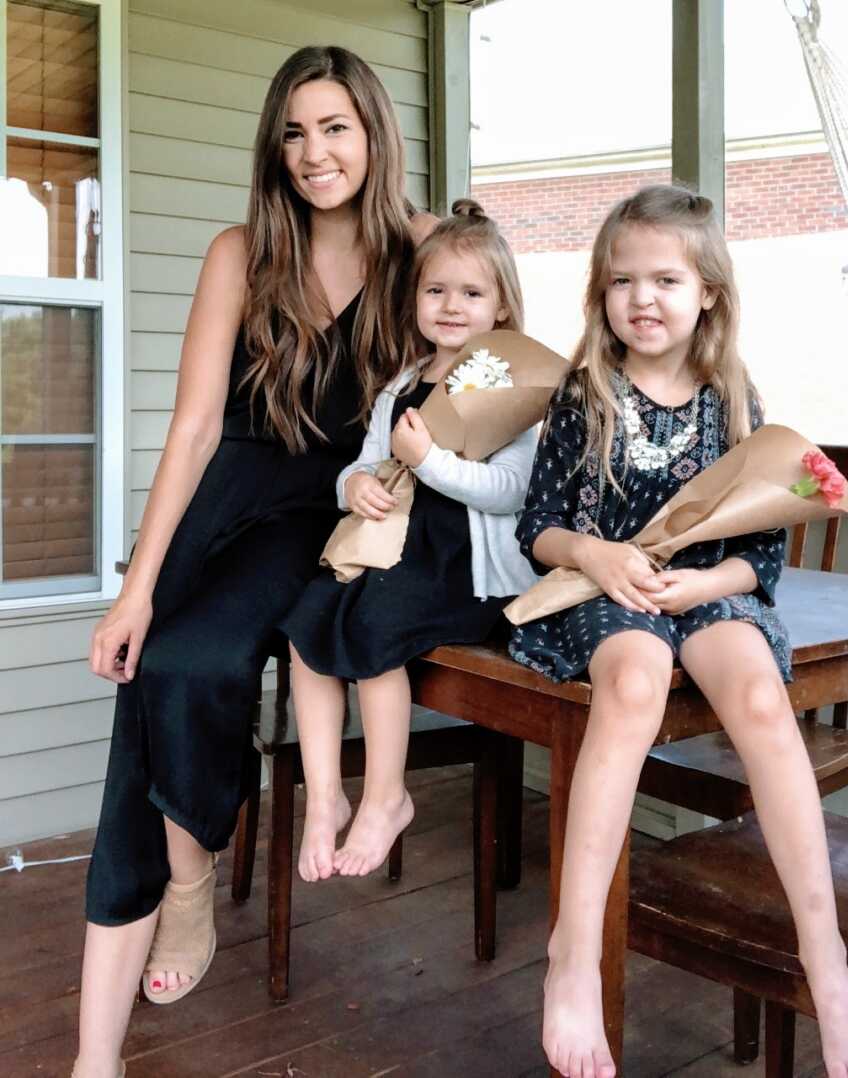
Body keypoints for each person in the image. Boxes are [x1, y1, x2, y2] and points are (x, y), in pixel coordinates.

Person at [74, 45, 435, 1078]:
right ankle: (121, 1005)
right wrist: (133, 589)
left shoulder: (418, 250)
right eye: (294, 132)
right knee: (153, 672)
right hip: (224, 504)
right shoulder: (242, 251)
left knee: (195, 668)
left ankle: (187, 882)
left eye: (334, 128)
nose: (314, 153)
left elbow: (495, 369)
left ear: (373, 133)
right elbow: (190, 430)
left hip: (326, 516)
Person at [508, 185, 848, 1078]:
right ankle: (571, 952)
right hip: (609, 591)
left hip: (706, 592)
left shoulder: (731, 398)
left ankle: (826, 962)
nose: (642, 298)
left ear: (708, 291)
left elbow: (760, 553)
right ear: (601, 293)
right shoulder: (583, 392)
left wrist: (706, 582)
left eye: (666, 279)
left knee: (759, 696)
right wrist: (602, 560)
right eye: (621, 280)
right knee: (633, 685)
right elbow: (540, 528)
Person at [284, 200, 538, 881]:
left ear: (502, 309)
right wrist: (353, 489)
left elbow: (511, 489)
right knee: (307, 622)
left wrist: (431, 464)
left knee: (373, 627)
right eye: (436, 291)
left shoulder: (514, 388)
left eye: (471, 292)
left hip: (466, 569)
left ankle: (386, 795)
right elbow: (364, 463)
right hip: (395, 549)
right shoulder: (403, 382)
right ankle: (326, 796)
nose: (451, 306)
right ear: (415, 299)